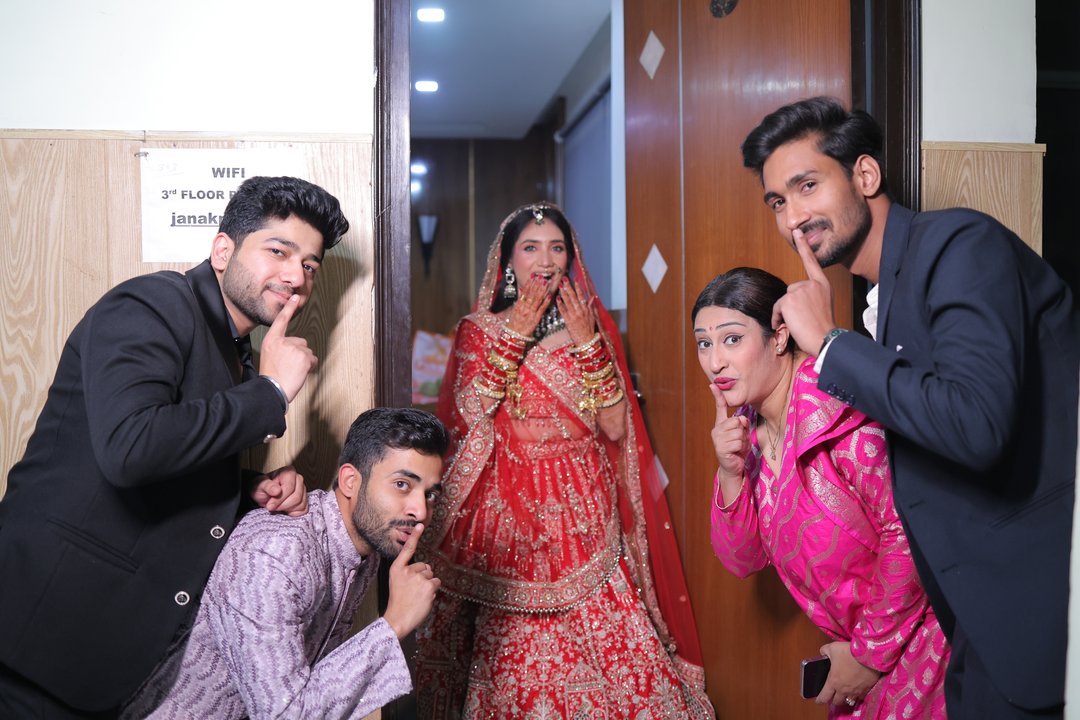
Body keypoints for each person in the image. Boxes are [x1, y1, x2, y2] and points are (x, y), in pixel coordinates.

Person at [742, 96, 1079, 719]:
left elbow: (977, 426)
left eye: (807, 186)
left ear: (865, 175)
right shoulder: (884, 298)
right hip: (971, 620)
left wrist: (831, 345)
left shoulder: (958, 243)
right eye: (778, 202)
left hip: (1030, 606)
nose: (793, 218)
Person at [0, 175, 350, 718]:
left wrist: (247, 491)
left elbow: (171, 455)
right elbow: (130, 447)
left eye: (310, 264)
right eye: (278, 251)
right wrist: (271, 393)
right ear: (223, 251)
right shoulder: (152, 303)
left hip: (104, 662)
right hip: (34, 640)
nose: (295, 276)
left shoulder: (235, 351)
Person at [413, 202, 715, 719]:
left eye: (557, 248)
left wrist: (588, 343)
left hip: (583, 504)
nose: (546, 260)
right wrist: (515, 333)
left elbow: (616, 427)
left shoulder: (587, 327)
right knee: (510, 647)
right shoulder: (478, 330)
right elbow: (470, 415)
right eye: (531, 247)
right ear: (508, 260)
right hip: (507, 508)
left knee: (608, 633)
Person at [694, 267, 948, 718]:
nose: (715, 363)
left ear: (778, 337)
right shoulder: (746, 432)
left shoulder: (841, 399)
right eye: (703, 343)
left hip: (927, 643)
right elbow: (743, 560)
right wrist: (730, 474)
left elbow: (910, 529)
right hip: (858, 658)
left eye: (732, 339)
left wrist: (868, 655)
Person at [121, 407, 449, 719]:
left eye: (430, 494)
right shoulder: (277, 552)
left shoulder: (365, 551)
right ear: (350, 481)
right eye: (402, 485)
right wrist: (394, 624)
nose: (420, 511)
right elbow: (283, 714)